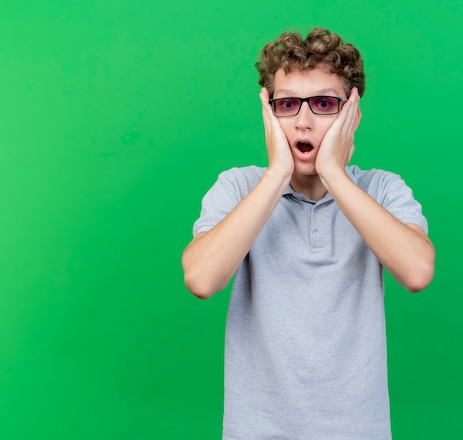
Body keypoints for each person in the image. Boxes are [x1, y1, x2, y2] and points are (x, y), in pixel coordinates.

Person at [182, 27, 435, 440]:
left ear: (352, 112)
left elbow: (418, 271)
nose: (303, 121)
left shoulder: (381, 188)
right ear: (268, 112)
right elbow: (201, 279)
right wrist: (278, 172)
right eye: (286, 105)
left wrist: (333, 173)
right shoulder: (239, 187)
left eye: (323, 104)